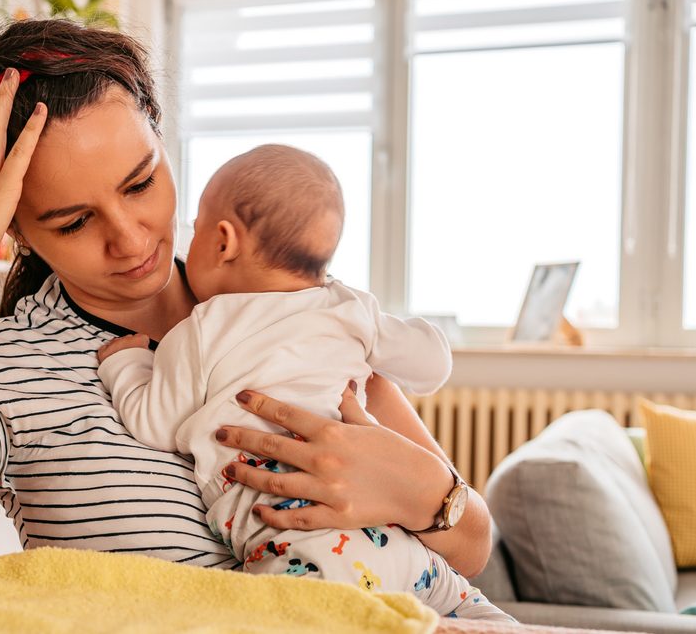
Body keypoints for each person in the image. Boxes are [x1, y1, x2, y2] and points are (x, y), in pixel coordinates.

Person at [0, 19, 495, 591]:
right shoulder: (7, 365)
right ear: (15, 228)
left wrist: (425, 493)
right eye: (73, 221)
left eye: (140, 183)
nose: (130, 238)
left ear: (162, 138)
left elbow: (472, 544)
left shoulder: (282, 301)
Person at [93, 145, 512, 620]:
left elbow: (154, 422)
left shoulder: (201, 329)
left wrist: (125, 364)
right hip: (403, 547)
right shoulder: (349, 306)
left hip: (309, 549)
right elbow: (432, 366)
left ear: (224, 242)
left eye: (198, 226)